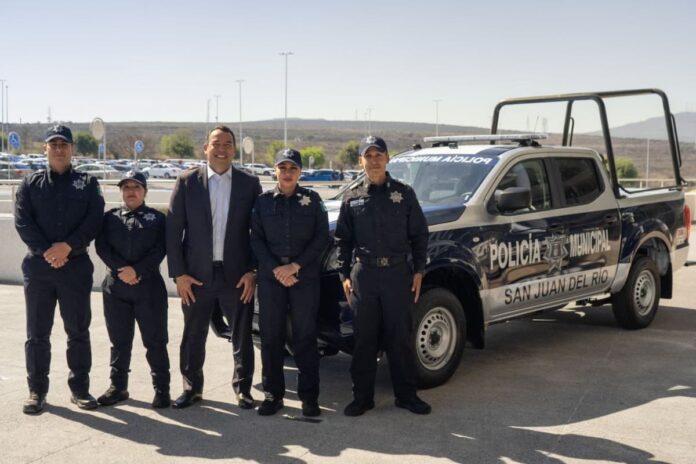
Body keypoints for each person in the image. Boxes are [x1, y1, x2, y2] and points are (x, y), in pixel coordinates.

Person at [334, 135, 431, 416]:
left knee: (399, 337)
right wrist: (344, 274)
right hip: (364, 275)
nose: (374, 160)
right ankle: (362, 398)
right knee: (364, 338)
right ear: (360, 160)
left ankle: (406, 395)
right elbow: (343, 240)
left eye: (379, 155)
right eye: (368, 155)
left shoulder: (404, 193)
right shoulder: (352, 197)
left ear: (387, 159)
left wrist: (419, 271)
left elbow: (419, 235)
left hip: (398, 274)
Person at [166, 125, 262, 409]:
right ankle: (191, 388)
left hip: (237, 276)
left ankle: (243, 389)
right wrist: (179, 274)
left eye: (228, 143)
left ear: (234, 149)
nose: (222, 148)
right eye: (216, 143)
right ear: (205, 148)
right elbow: (173, 231)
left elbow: (259, 232)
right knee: (193, 334)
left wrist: (253, 271)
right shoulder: (187, 182)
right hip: (195, 276)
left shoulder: (249, 183)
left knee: (241, 335)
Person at [15, 124, 105, 414]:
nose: (58, 149)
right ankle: (36, 391)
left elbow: (94, 220)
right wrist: (48, 252)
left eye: (63, 144)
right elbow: (23, 222)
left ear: (72, 149)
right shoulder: (29, 184)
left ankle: (79, 389)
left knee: (78, 331)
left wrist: (67, 247)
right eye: (53, 145)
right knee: (37, 334)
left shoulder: (88, 183)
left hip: (75, 267)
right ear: (45, 149)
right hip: (39, 268)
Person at [250, 148, 328, 417]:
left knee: (305, 337)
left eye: (292, 168)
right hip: (272, 279)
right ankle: (273, 395)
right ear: (275, 171)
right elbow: (256, 240)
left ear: (300, 172)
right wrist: (276, 269)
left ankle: (309, 397)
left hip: (303, 277)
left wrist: (295, 266)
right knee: (271, 337)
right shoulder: (262, 202)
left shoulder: (312, 199)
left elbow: (321, 238)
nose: (287, 173)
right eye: (282, 168)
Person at [95, 171, 170, 408]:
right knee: (119, 341)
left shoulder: (158, 219)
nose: (130, 191)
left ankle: (162, 390)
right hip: (116, 288)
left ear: (145, 191)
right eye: (126, 187)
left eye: (136, 187)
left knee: (155, 341)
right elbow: (102, 247)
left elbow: (160, 249)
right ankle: (118, 387)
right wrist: (122, 270)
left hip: (149, 289)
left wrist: (136, 271)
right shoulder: (109, 218)